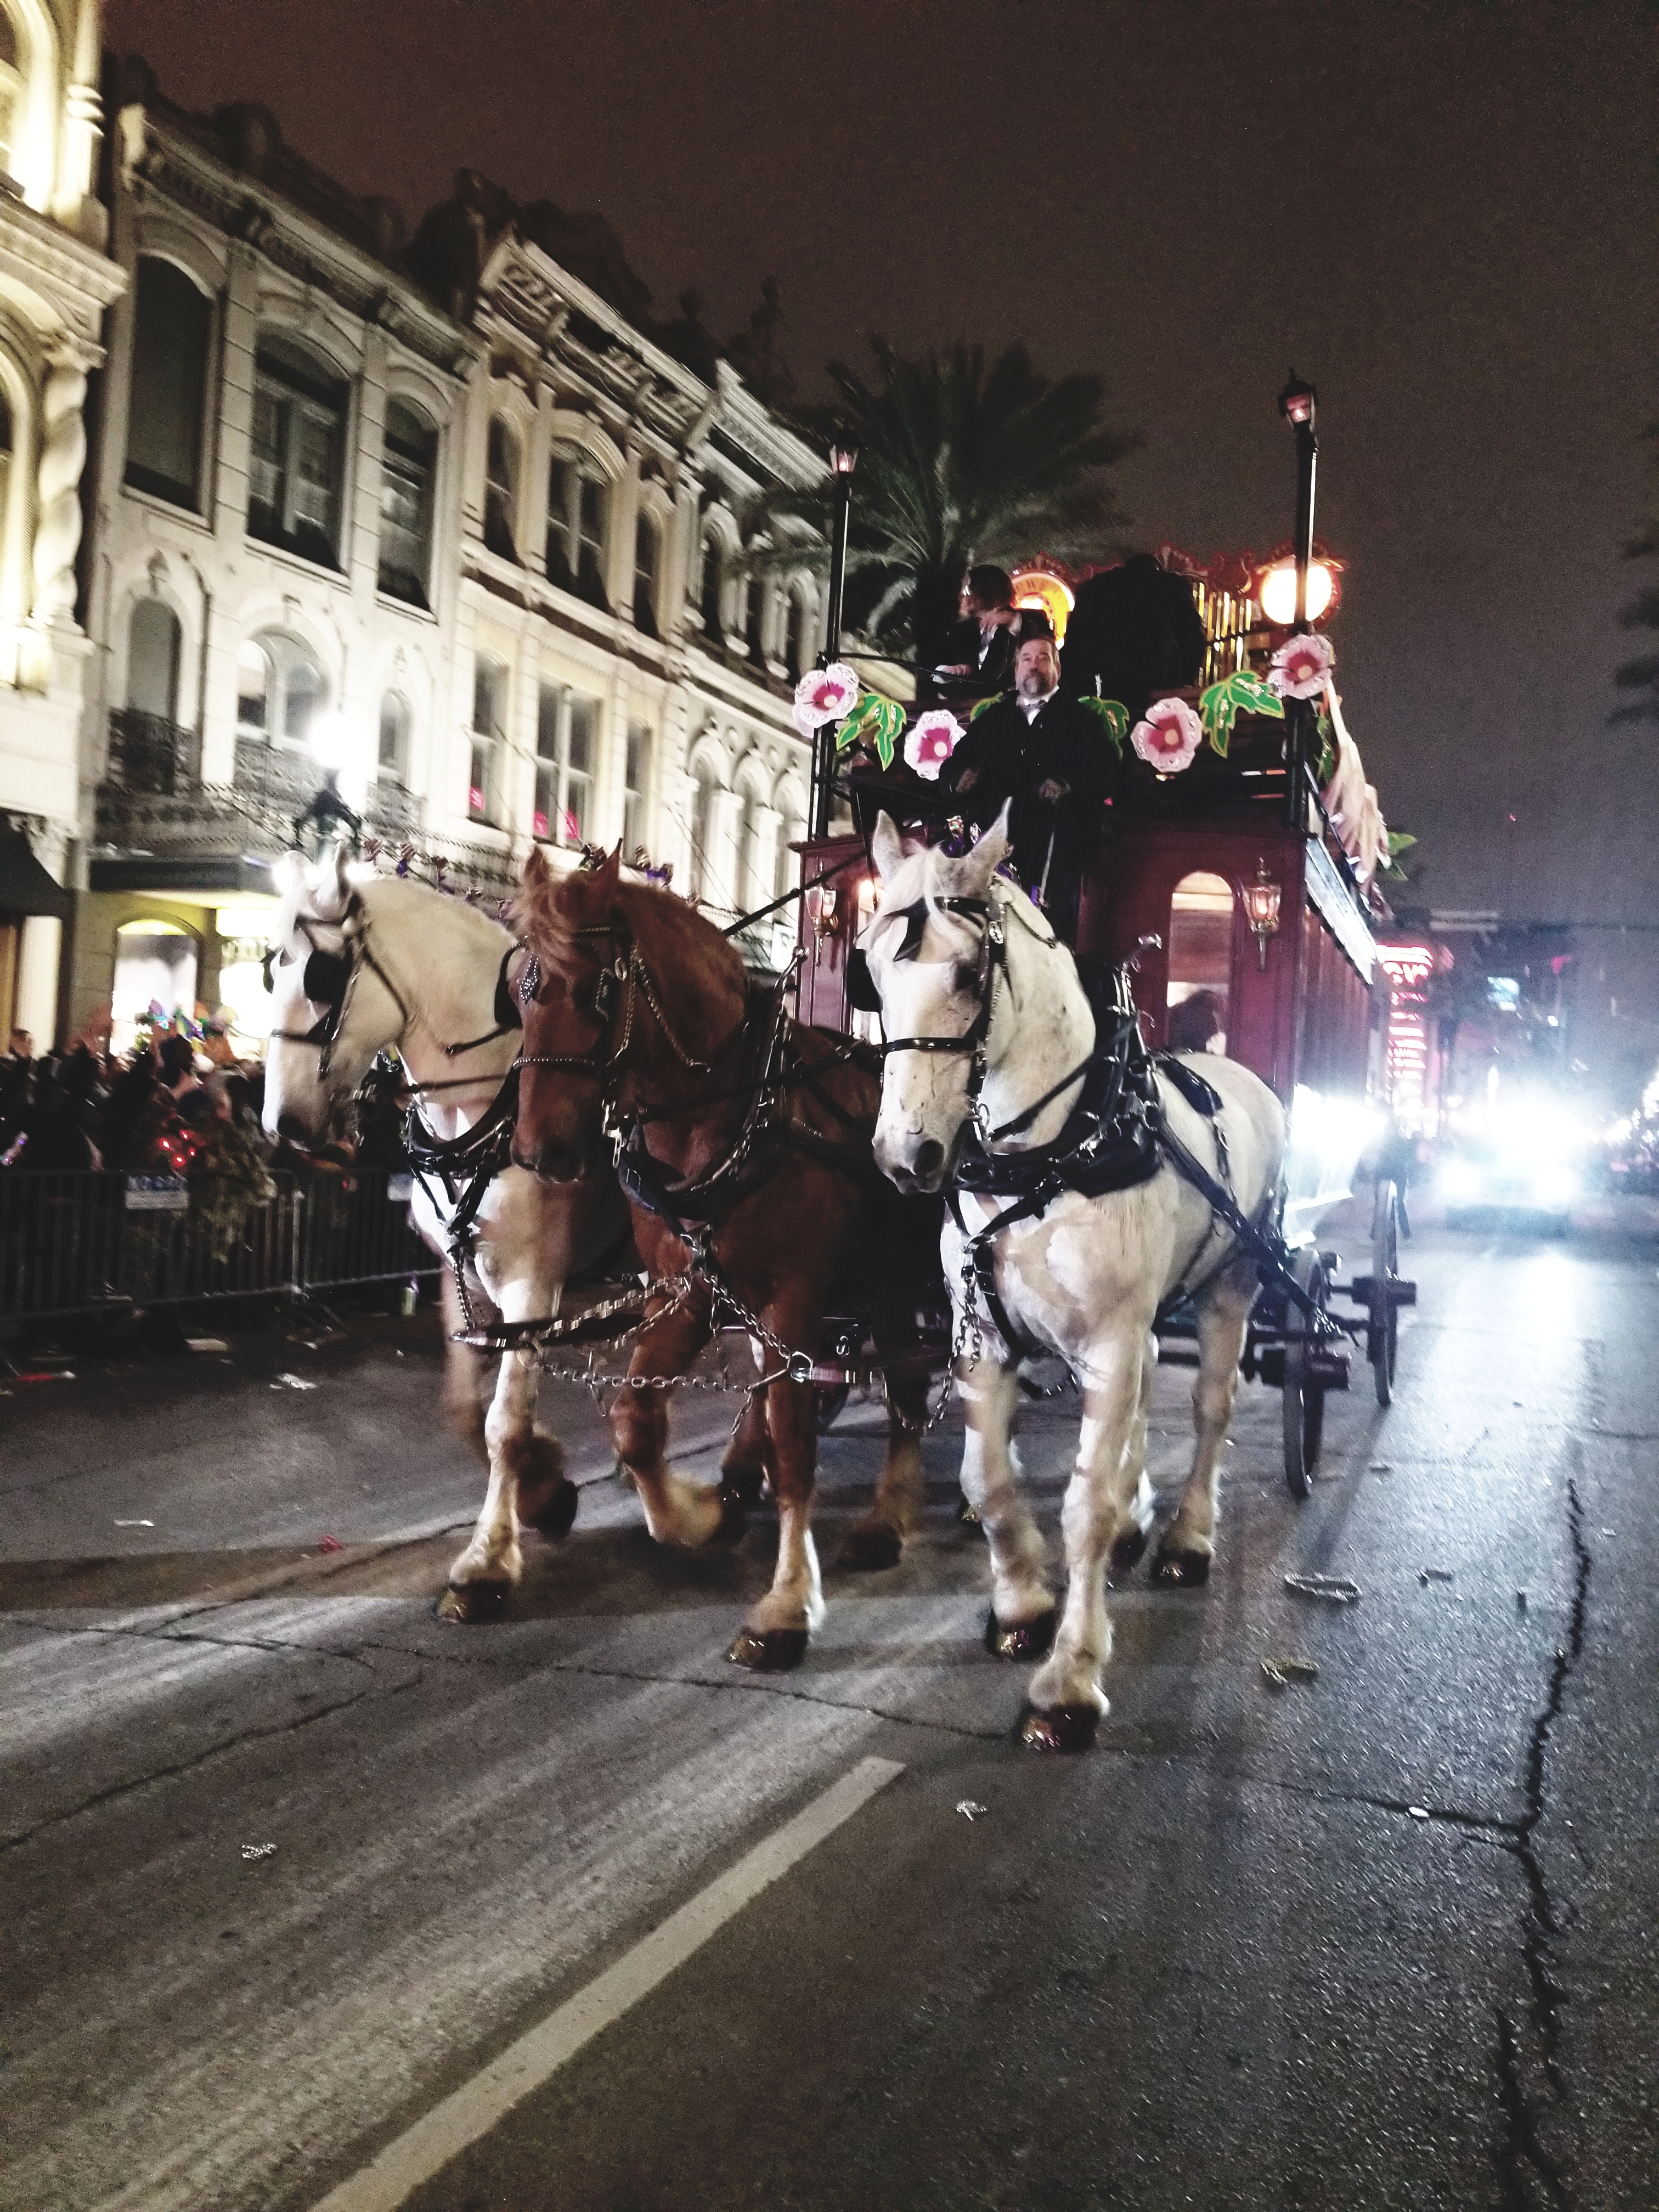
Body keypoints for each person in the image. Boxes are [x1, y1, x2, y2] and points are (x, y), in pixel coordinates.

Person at [940, 634, 1122, 942]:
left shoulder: (1082, 721)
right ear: (1016, 670)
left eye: (1043, 658)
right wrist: (959, 782)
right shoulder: (991, 721)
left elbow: (1107, 773)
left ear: (1058, 670)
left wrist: (1068, 785)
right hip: (990, 846)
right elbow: (951, 769)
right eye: (1026, 659)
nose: (1034, 665)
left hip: (1055, 849)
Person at [1061, 552, 1207, 725]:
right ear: (1158, 569)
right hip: (1157, 678)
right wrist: (1184, 680)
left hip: (1101, 679)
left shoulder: (1097, 586)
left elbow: (1075, 637)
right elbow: (1194, 640)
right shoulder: (1171, 586)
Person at [933, 566, 1050, 700]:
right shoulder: (960, 630)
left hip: (1014, 704)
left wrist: (1012, 621)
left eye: (968, 589)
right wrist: (950, 672)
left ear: (987, 590)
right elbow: (939, 674)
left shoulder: (1031, 619)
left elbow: (1045, 646)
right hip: (968, 706)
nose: (962, 595)